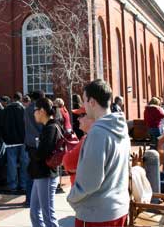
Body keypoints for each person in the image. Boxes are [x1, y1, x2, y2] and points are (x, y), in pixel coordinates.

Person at [67, 79, 130, 227]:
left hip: (96, 214)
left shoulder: (98, 133)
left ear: (92, 102)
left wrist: (72, 197)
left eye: (84, 101)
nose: (84, 106)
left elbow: (90, 181)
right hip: (118, 208)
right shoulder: (121, 127)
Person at [28, 97, 61, 227]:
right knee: (35, 212)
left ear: (42, 111)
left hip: (47, 175)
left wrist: (33, 152)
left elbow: (42, 153)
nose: (33, 113)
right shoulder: (50, 126)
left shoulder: (51, 127)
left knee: (48, 216)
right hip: (41, 174)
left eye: (35, 110)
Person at [0, 92, 27, 193]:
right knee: (24, 162)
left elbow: (1, 125)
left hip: (10, 141)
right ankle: (24, 184)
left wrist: (4, 137)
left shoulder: (5, 110)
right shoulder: (23, 110)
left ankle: (12, 185)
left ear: (12, 98)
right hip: (23, 140)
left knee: (12, 164)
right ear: (20, 99)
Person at [62, 106, 95, 185]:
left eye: (81, 115)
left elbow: (68, 162)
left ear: (91, 117)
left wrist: (76, 168)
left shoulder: (88, 139)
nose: (78, 119)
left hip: (84, 192)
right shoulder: (90, 137)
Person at [24, 90, 45, 206]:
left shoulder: (27, 109)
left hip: (29, 143)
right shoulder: (40, 110)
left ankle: (29, 199)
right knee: (40, 173)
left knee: (30, 171)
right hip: (39, 143)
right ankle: (36, 200)